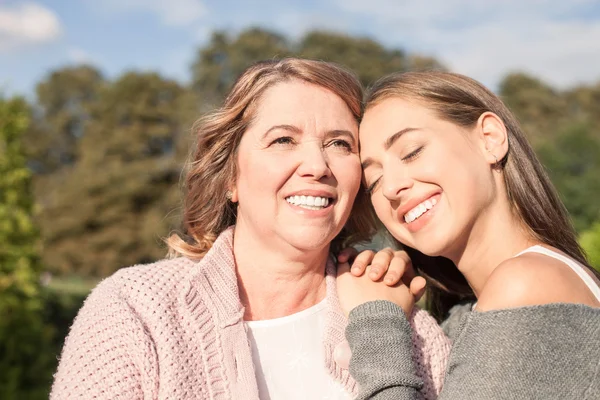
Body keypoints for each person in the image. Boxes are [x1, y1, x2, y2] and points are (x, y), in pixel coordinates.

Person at [50, 59, 451, 400]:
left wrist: (380, 317)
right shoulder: (136, 311)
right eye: (282, 140)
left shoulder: (395, 316)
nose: (317, 165)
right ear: (231, 179)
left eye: (340, 144)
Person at [336, 71, 600, 399]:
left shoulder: (527, 284)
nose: (391, 188)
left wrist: (377, 321)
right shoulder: (475, 310)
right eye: (373, 181)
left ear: (490, 138)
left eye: (411, 151)